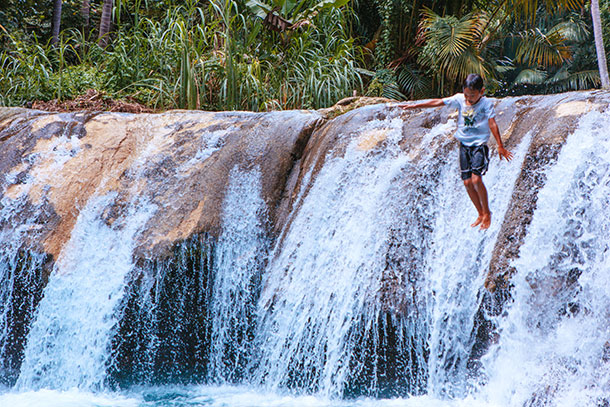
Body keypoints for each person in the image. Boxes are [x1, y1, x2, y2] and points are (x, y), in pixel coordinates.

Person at [399, 73, 513, 230]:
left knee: (476, 180)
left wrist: (500, 145)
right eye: (466, 95)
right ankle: (479, 213)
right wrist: (415, 106)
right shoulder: (460, 99)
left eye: (472, 96)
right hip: (464, 145)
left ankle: (487, 213)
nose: (468, 99)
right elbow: (438, 101)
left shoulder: (486, 104)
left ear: (482, 92)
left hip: (479, 145)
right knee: (467, 183)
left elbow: (492, 123)